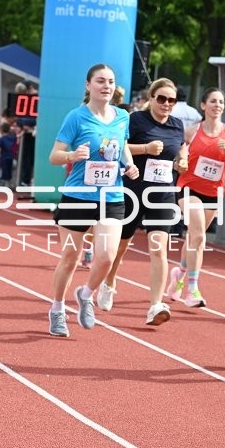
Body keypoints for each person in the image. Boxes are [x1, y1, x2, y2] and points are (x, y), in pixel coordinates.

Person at [46, 63, 139, 337]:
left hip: (111, 196)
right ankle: (57, 309)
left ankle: (86, 294)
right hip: (78, 197)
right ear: (88, 85)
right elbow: (54, 155)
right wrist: (72, 156)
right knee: (70, 258)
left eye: (110, 81)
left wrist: (130, 165)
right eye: (100, 81)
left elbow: (121, 147)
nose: (106, 86)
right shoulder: (76, 117)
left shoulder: (122, 116)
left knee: (107, 257)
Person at [100, 77, 186, 326]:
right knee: (121, 246)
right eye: (162, 98)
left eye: (172, 100)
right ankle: (109, 281)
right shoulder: (135, 120)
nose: (166, 104)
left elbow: (181, 148)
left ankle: (155, 305)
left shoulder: (177, 125)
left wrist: (183, 159)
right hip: (133, 191)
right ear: (151, 98)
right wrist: (146, 149)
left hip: (162, 194)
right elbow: (118, 146)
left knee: (159, 247)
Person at [166, 87, 225, 307]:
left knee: (194, 237)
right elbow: (179, 156)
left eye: (221, 101)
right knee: (199, 236)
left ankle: (178, 276)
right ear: (203, 105)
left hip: (213, 192)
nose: (217, 105)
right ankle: (193, 289)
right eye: (213, 101)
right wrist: (180, 162)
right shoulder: (191, 131)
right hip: (189, 187)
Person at [0, 122, 16, 186]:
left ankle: (6, 184)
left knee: (5, 172)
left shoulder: (1, 139)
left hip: (4, 158)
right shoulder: (13, 138)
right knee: (9, 171)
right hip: (13, 158)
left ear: (1, 130)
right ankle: (9, 183)